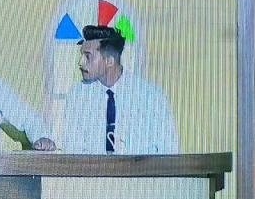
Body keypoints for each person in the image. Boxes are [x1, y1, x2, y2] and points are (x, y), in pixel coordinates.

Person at [36, 25, 177, 154]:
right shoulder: (77, 96)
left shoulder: (151, 98)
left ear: (109, 61)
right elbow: (72, 150)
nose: (80, 62)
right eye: (82, 55)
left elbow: (170, 151)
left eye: (88, 57)